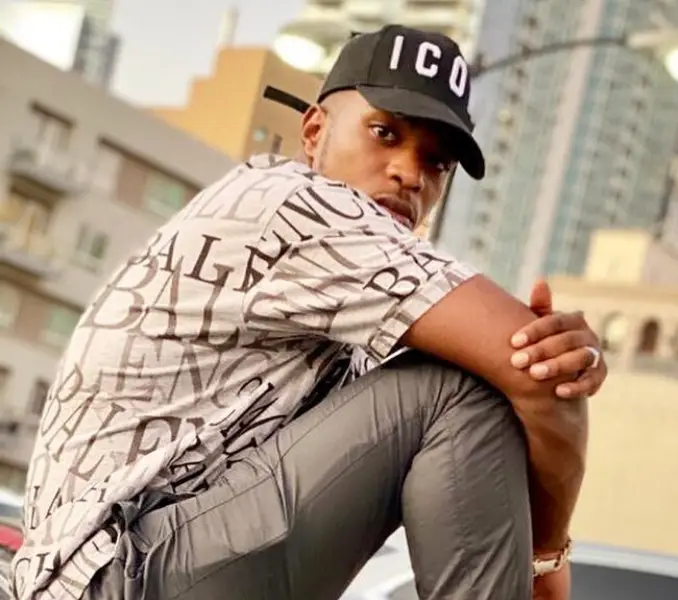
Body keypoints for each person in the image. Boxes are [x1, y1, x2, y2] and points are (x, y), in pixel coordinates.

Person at [10, 24, 607, 600]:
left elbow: (532, 365)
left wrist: (555, 352)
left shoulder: (349, 298)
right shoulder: (296, 206)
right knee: (458, 389)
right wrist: (545, 556)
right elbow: (535, 372)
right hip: (121, 574)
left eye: (436, 163)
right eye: (384, 133)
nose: (409, 174)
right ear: (315, 131)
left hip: (140, 567)